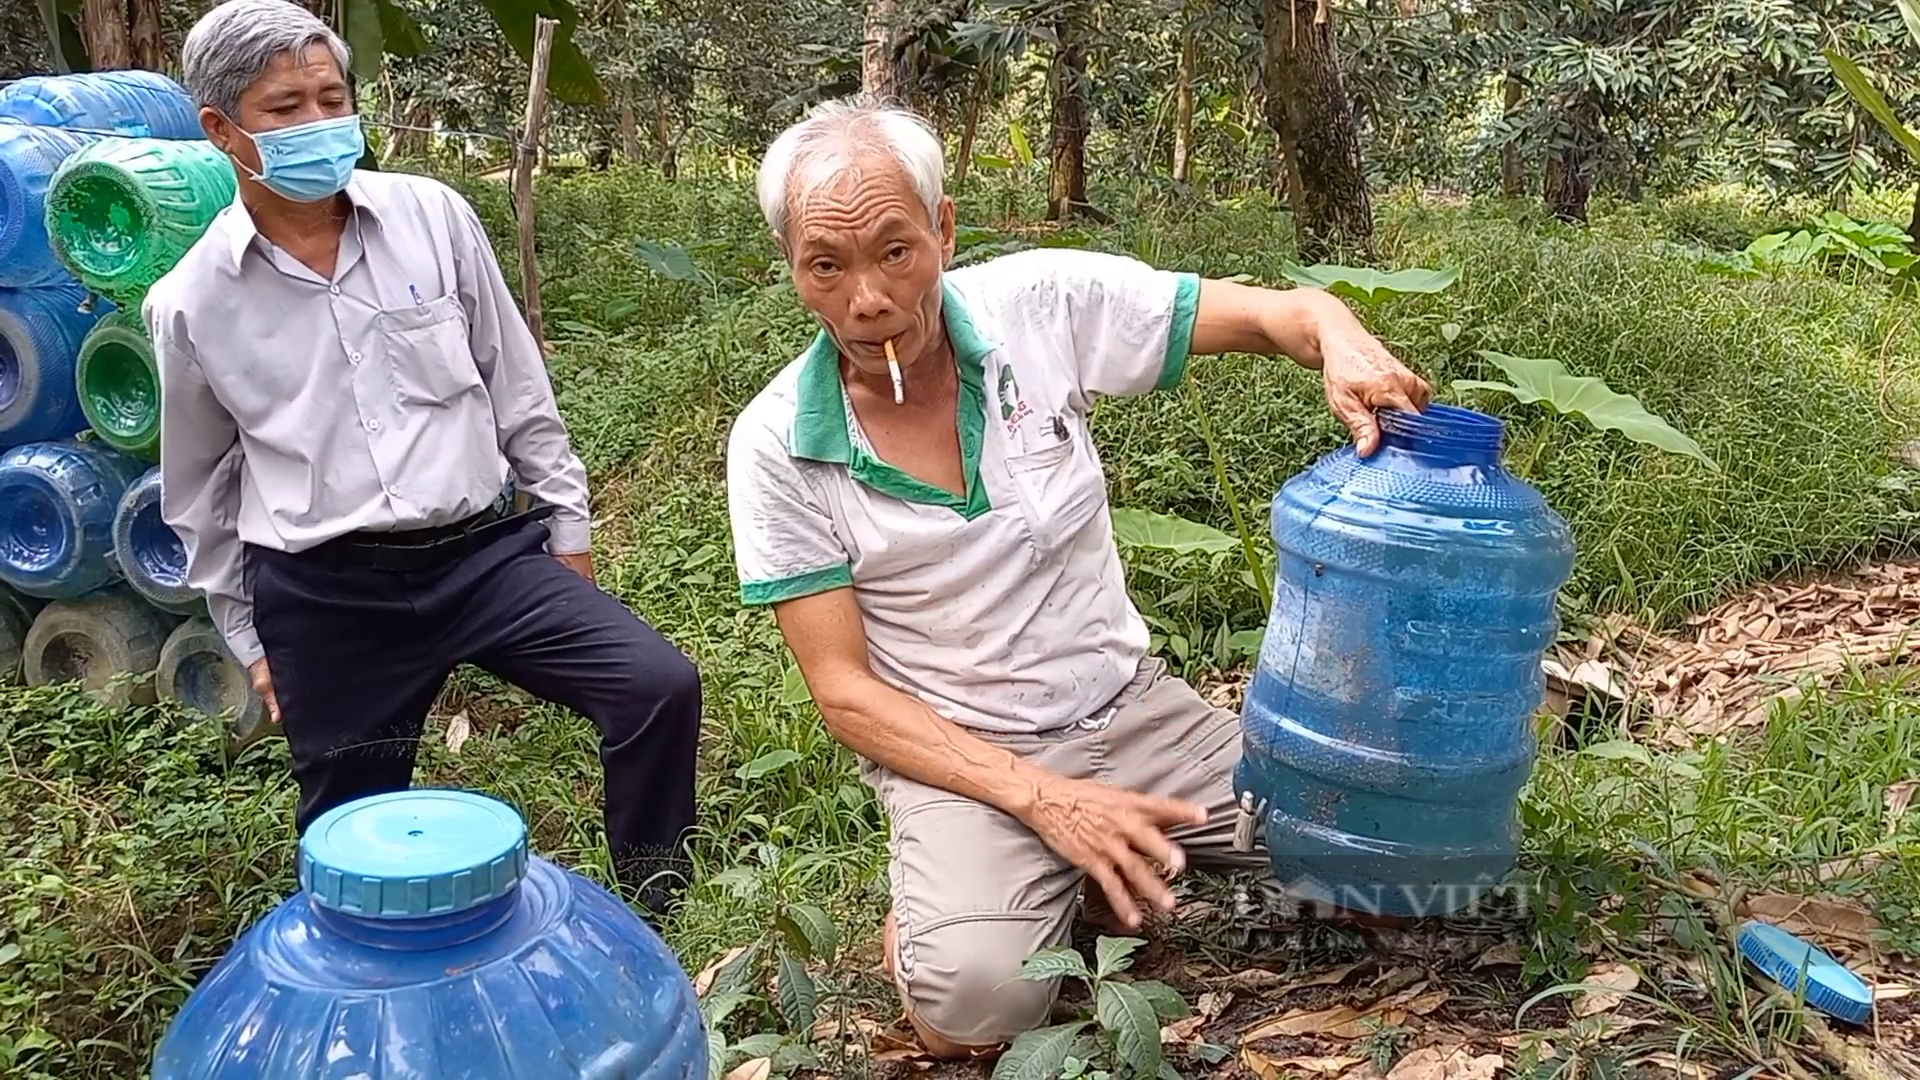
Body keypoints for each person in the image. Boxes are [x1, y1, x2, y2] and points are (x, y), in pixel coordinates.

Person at [725, 95, 1434, 1057]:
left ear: (943, 230)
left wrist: (1336, 330)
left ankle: (1094, 865)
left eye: (896, 251)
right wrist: (1040, 797)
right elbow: (845, 695)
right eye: (826, 265)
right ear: (791, 268)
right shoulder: (777, 445)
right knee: (973, 1015)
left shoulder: (1037, 305)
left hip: (1127, 711)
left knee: (1405, 866)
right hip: (963, 760)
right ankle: (966, 904)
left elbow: (1272, 315)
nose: (867, 299)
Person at [149, 0, 701, 919]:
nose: (321, 124)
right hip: (327, 593)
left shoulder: (432, 219)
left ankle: (658, 907)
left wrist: (568, 528)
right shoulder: (192, 302)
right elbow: (202, 491)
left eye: (332, 97)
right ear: (223, 129)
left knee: (655, 684)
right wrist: (250, 639)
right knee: (351, 831)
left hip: (482, 559)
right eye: (286, 109)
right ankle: (379, 995)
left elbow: (516, 382)